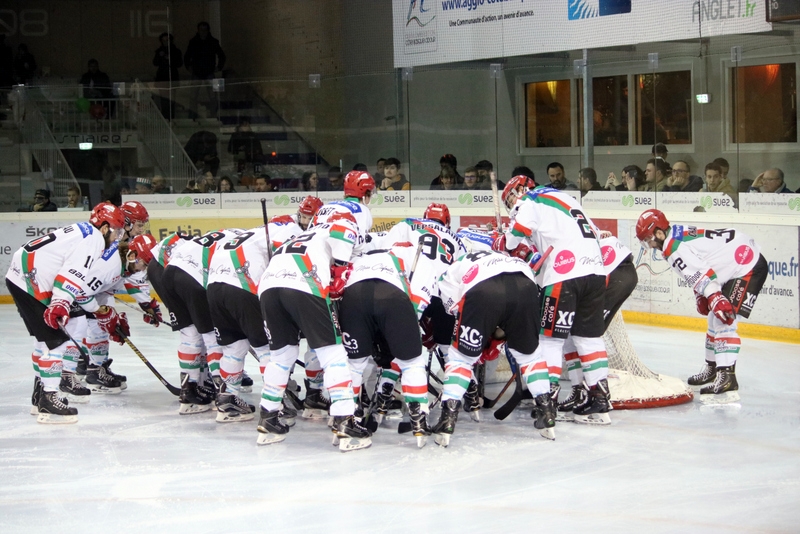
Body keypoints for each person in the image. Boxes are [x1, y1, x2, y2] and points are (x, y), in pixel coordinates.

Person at [494, 177, 611, 425]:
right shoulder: (565, 199)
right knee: (587, 338)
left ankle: (550, 399)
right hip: (596, 272)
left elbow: (516, 237)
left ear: (519, 189)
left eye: (510, 199)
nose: (512, 205)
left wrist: (504, 241)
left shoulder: (529, 199)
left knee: (550, 339)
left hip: (564, 274)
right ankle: (600, 400)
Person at [257, 213, 371, 451]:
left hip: (268, 287)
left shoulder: (301, 234)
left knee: (281, 356)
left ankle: (268, 417)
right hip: (305, 282)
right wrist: (339, 273)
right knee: (333, 355)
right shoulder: (339, 226)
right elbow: (344, 234)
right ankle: (345, 420)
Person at [5, 202, 127, 423]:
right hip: (33, 280)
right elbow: (71, 273)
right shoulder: (94, 239)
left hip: (21, 276)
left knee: (44, 342)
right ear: (105, 227)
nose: (116, 238)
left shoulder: (84, 230)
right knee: (57, 342)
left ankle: (40, 394)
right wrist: (60, 303)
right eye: (116, 231)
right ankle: (49, 399)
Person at [635, 209, 768, 404]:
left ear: (659, 233)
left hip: (747, 265)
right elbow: (699, 265)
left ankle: (727, 376)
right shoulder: (673, 238)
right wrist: (701, 294)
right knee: (714, 318)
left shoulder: (673, 247)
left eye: (648, 239)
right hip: (738, 259)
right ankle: (713, 369)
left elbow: (701, 271)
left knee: (724, 318)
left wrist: (714, 296)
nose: (650, 245)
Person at [435, 247, 548, 444]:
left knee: (460, 358)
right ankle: (547, 412)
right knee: (530, 357)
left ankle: (448, 418)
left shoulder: (456, 265)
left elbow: (453, 307)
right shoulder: (505, 257)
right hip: (526, 286)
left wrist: (476, 330)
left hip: (483, 289)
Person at [162, 228, 243, 414]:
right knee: (212, 337)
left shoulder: (226, 232)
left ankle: (188, 391)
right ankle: (220, 391)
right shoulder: (244, 242)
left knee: (189, 335)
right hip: (195, 277)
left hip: (170, 272)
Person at [312, 171, 375, 254]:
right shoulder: (362, 210)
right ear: (366, 194)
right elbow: (358, 247)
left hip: (308, 253)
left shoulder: (324, 207)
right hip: (332, 258)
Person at [184, 21, 226, 119]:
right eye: (201, 30)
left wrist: (219, 67)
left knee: (213, 96)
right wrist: (188, 67)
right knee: (194, 97)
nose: (203, 32)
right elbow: (187, 56)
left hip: (209, 72)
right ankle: (193, 116)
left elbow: (222, 56)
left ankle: (213, 115)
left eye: (204, 30)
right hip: (198, 72)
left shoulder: (213, 42)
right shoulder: (194, 42)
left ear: (208, 30)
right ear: (198, 30)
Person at [153, 32, 182, 119]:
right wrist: (160, 56)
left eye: (167, 40)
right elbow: (155, 62)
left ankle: (171, 118)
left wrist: (170, 59)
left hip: (172, 78)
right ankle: (165, 118)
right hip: (162, 78)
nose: (165, 42)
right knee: (163, 101)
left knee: (171, 101)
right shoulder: (159, 51)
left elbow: (179, 63)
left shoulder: (176, 51)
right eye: (164, 40)